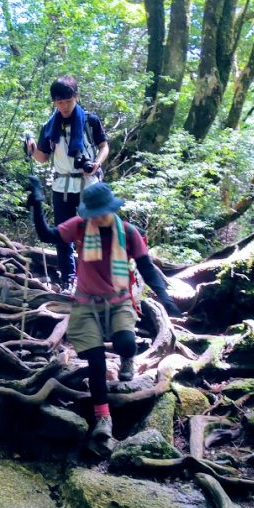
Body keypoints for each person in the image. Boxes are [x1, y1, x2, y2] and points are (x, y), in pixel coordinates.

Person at [27, 178, 182, 456]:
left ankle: (127, 358)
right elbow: (47, 235)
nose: (96, 218)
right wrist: (37, 202)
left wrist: (165, 297)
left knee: (125, 343)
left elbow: (146, 267)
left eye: (100, 213)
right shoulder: (80, 225)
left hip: (119, 300)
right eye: (92, 214)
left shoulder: (129, 232)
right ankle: (103, 418)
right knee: (96, 362)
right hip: (86, 303)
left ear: (110, 210)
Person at [25, 75, 109, 292]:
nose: (63, 106)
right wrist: (32, 149)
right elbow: (43, 158)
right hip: (61, 187)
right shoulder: (49, 126)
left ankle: (91, 281)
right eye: (59, 102)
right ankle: (68, 281)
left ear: (76, 97)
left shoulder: (90, 121)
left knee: (91, 235)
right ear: (54, 102)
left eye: (67, 101)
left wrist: (96, 164)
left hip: (88, 185)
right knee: (63, 236)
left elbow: (104, 146)